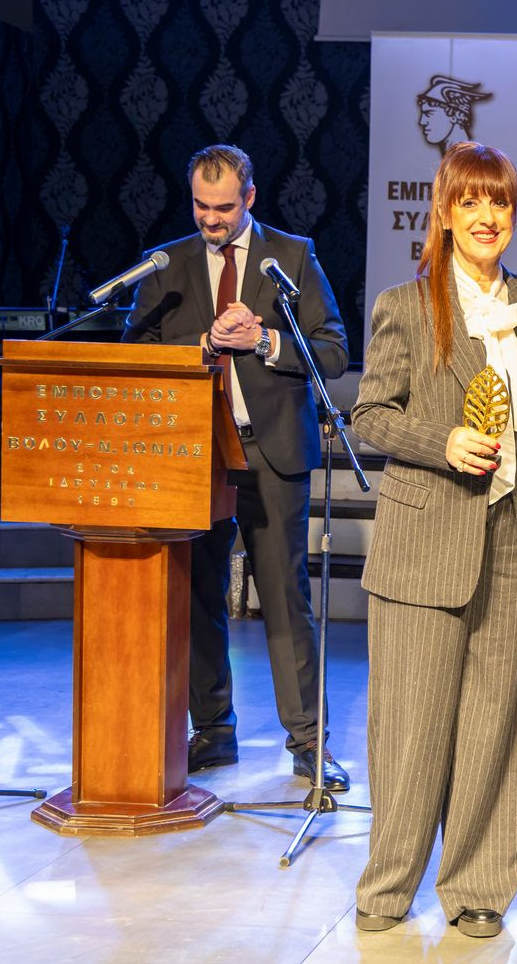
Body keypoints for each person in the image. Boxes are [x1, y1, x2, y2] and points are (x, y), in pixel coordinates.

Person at [350, 143, 517, 938]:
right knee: (412, 727)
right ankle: (387, 887)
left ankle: (477, 887)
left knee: (494, 727)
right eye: (470, 201)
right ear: (443, 212)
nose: (486, 217)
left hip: (513, 537)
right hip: (426, 540)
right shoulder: (407, 305)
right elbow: (370, 416)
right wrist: (441, 441)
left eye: (498, 202)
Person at [123, 144, 350, 790]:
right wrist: (202, 344)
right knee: (200, 596)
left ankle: (308, 743)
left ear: (249, 197)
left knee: (284, 598)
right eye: (200, 205)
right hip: (196, 456)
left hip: (271, 453)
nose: (210, 219)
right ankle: (214, 732)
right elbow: (136, 354)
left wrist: (265, 340)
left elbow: (334, 350)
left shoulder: (292, 257)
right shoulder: (168, 264)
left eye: (223, 207)